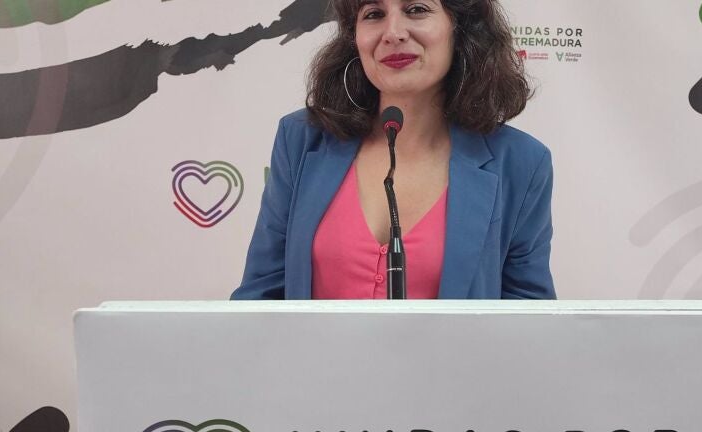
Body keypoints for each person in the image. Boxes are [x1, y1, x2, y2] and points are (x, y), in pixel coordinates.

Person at [231, 0, 555, 300]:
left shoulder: (521, 163)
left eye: (416, 9)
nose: (393, 33)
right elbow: (259, 299)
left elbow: (530, 322)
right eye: (374, 14)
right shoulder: (301, 139)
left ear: (460, 27)